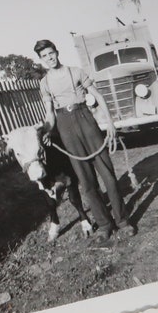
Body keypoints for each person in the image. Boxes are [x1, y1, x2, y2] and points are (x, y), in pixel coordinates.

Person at [34, 39, 132, 243]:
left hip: (86, 120)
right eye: (44, 56)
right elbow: (50, 114)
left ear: (57, 52)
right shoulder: (44, 84)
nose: (49, 58)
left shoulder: (76, 72)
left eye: (51, 53)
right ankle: (105, 225)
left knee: (108, 175)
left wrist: (111, 123)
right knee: (86, 182)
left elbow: (99, 96)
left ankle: (123, 221)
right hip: (65, 127)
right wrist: (48, 130)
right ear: (41, 60)